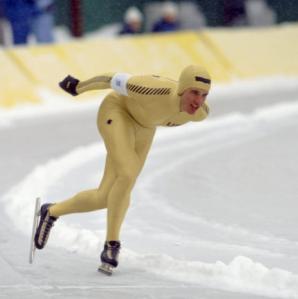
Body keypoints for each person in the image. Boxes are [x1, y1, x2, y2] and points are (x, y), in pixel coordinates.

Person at [34, 64, 211, 274]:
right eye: (194, 92)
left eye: (204, 95)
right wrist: (79, 87)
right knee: (127, 174)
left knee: (105, 197)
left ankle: (51, 211)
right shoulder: (153, 88)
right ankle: (112, 244)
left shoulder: (199, 113)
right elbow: (110, 78)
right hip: (117, 112)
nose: (198, 101)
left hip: (144, 130)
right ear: (182, 88)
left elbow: (193, 108)